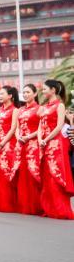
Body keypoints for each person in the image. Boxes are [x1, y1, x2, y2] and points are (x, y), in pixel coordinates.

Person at [38, 79, 74, 219]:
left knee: (55, 176)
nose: (43, 91)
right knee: (47, 176)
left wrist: (46, 139)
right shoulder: (45, 107)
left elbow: (59, 126)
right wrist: (41, 139)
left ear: (53, 90)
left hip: (56, 144)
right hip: (45, 143)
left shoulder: (59, 106)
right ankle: (50, 208)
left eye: (45, 89)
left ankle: (60, 209)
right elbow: (41, 125)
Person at [0, 86, 20, 213]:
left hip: (8, 144)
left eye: (2, 94)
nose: (0, 96)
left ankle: (8, 203)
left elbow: (13, 129)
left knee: (6, 172)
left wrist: (2, 143)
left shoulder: (15, 110)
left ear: (10, 95)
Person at [13, 84, 42, 215]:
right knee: (22, 174)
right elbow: (17, 127)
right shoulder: (20, 110)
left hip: (33, 145)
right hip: (21, 144)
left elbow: (42, 128)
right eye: (23, 92)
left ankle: (36, 205)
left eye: (28, 92)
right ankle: (24, 204)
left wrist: (28, 137)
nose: (25, 94)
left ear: (35, 94)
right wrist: (19, 136)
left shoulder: (40, 109)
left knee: (33, 173)